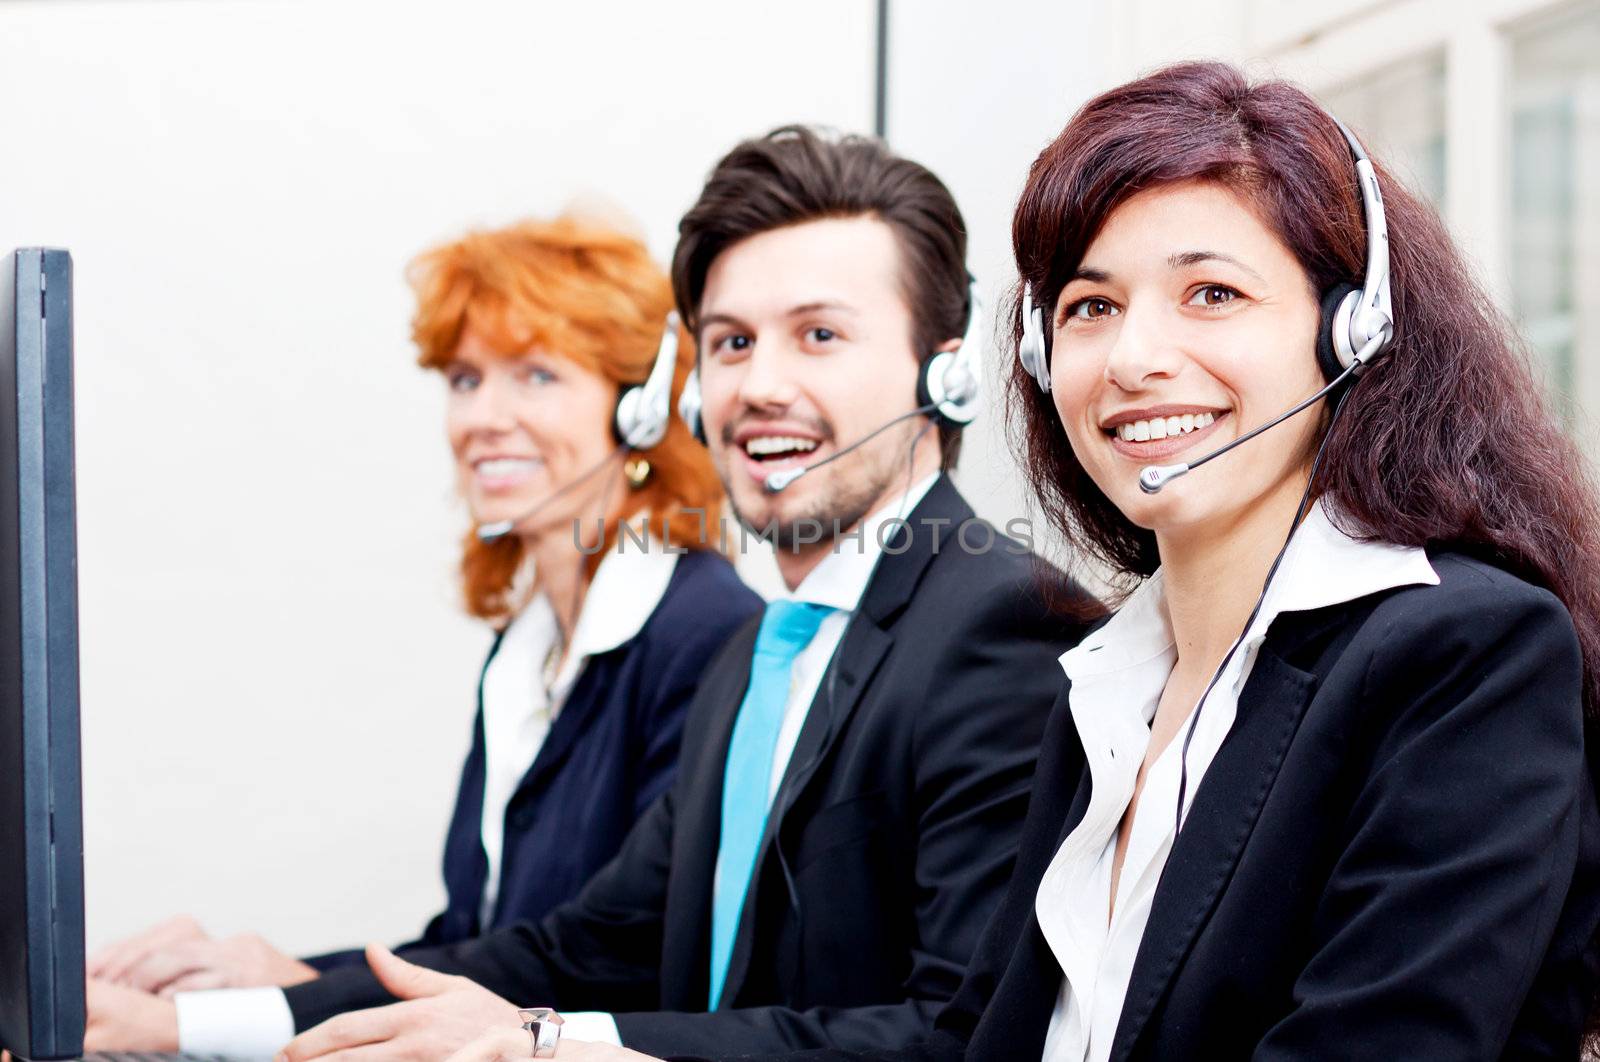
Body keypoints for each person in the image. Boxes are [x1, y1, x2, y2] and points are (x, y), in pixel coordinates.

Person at [458, 61, 1600, 1062]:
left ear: (1354, 330)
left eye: (1212, 293)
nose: (1135, 356)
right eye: (1091, 306)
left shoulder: (1459, 655)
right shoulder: (1105, 691)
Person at [222, 125, 1101, 1060]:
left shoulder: (1002, 626)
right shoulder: (754, 659)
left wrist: (545, 1046)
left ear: (946, 370)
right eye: (730, 343)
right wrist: (213, 1022)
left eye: (818, 335)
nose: (760, 384)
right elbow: (589, 947)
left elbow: (955, 1037)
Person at [82, 216, 762, 1057]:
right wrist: (278, 971)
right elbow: (471, 936)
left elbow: (601, 962)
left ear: (641, 412)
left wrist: (195, 1023)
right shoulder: (526, 651)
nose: (484, 417)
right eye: (466, 378)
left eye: (536, 375)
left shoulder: (705, 633)